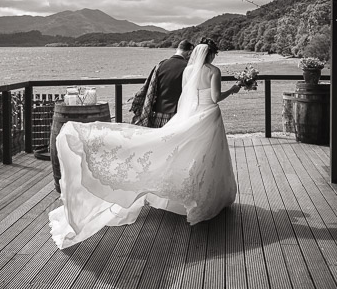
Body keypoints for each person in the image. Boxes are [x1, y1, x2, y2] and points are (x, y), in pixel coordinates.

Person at [49, 38, 241, 249]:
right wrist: (234, 89)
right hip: (208, 115)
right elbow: (215, 97)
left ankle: (196, 195)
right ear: (212, 54)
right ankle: (206, 197)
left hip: (191, 114)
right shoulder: (214, 71)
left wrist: (183, 117)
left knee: (187, 153)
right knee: (208, 156)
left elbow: (184, 98)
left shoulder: (189, 70)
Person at [130, 40, 194, 128]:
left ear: (177, 49)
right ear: (189, 53)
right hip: (178, 113)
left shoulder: (160, 65)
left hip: (158, 113)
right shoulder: (188, 67)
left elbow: (151, 88)